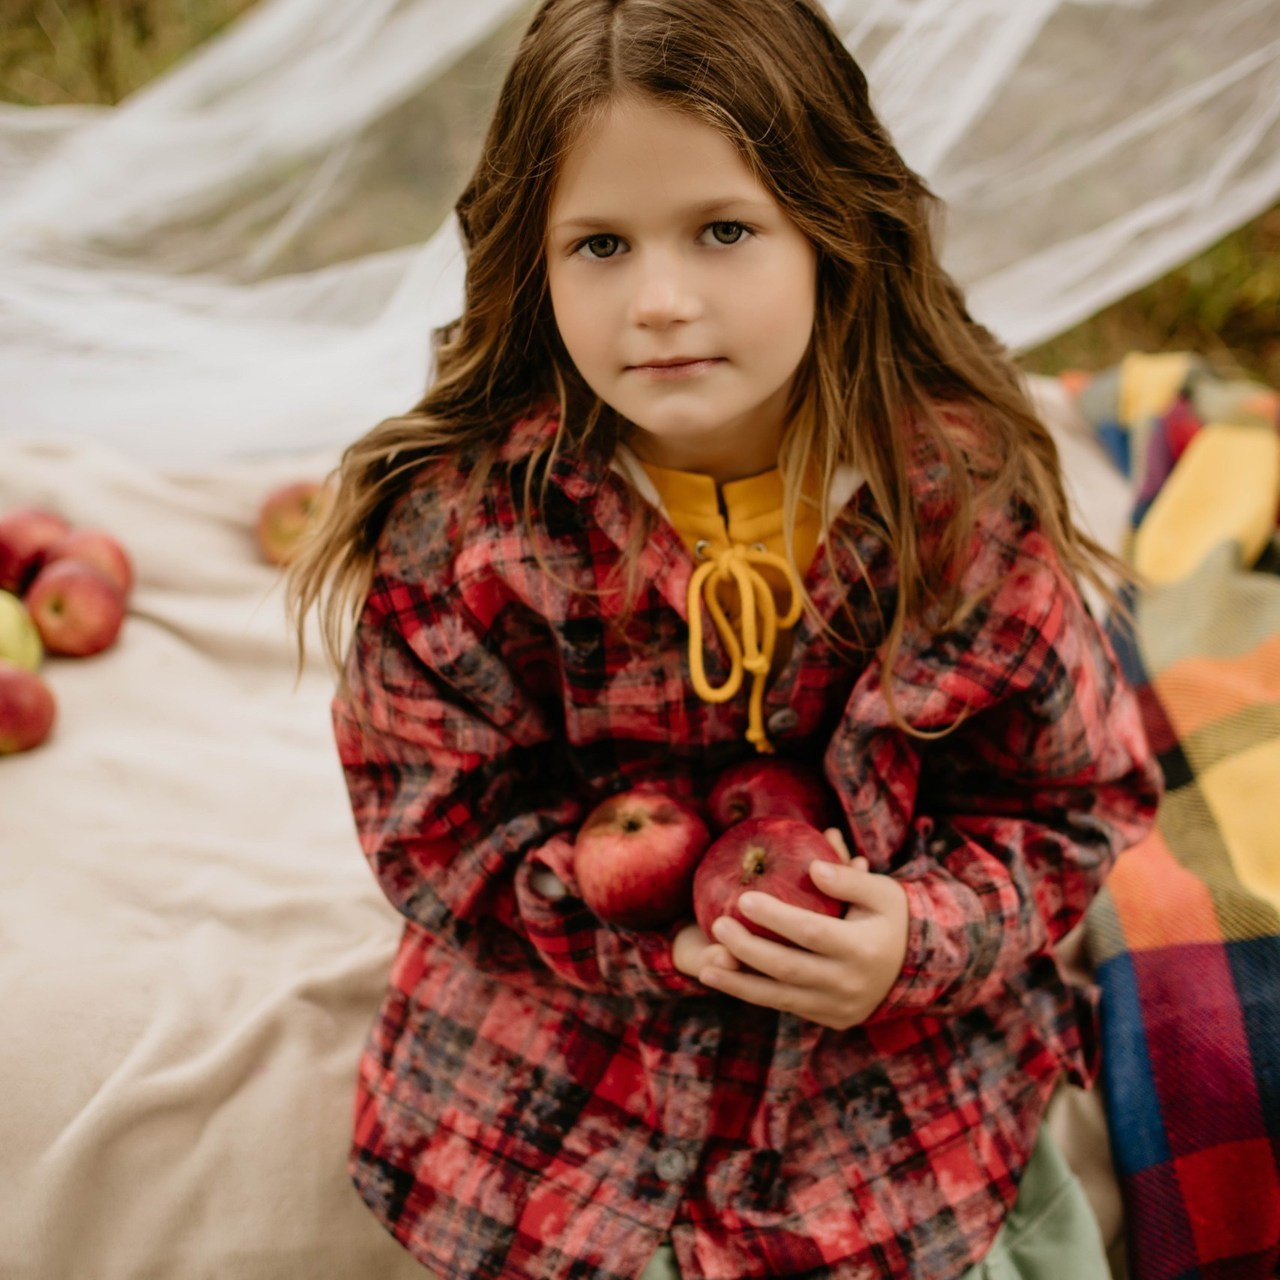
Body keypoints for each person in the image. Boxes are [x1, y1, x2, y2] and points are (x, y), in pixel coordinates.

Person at [289, 1, 1161, 1276]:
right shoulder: (472, 532)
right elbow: (430, 821)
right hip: (569, 1050)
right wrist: (642, 932)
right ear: (529, 264)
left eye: (723, 230)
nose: (657, 299)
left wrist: (915, 934)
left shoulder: (951, 509)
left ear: (830, 232)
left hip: (880, 1057)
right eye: (597, 243)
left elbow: (1070, 801)